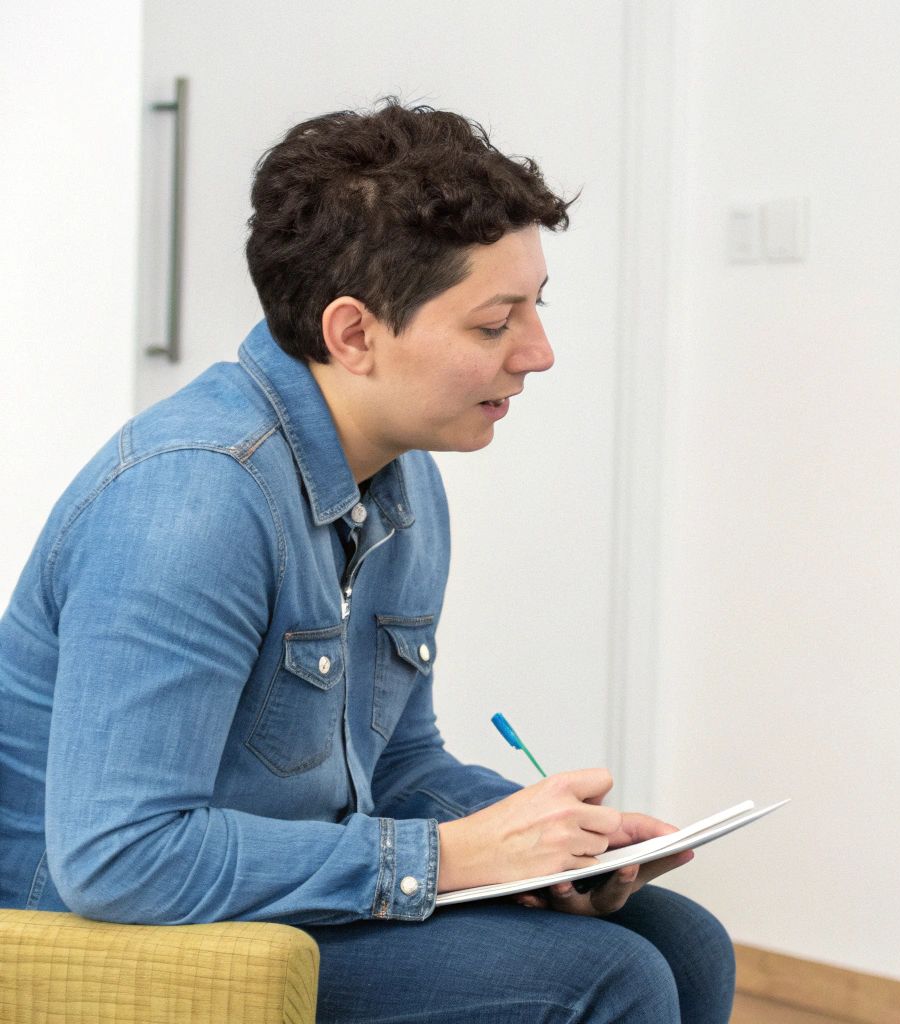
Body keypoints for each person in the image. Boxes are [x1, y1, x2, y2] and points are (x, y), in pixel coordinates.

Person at [0, 101, 735, 1024]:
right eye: (493, 324)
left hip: (270, 891)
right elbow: (121, 857)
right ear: (353, 335)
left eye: (535, 309)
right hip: (101, 936)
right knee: (605, 980)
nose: (539, 355)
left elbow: (394, 758)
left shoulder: (401, 481)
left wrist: (553, 842)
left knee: (681, 940)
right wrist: (458, 859)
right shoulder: (189, 504)